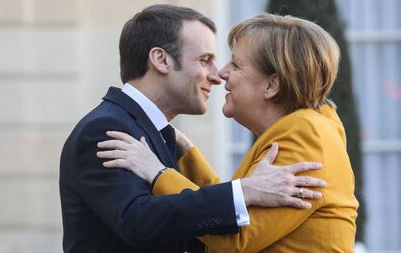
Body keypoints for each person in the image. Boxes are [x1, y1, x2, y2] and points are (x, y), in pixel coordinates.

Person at [59, 5, 326, 253]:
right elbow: (137, 220)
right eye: (204, 59)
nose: (217, 74)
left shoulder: (153, 132)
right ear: (161, 60)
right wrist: (244, 190)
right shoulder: (107, 127)